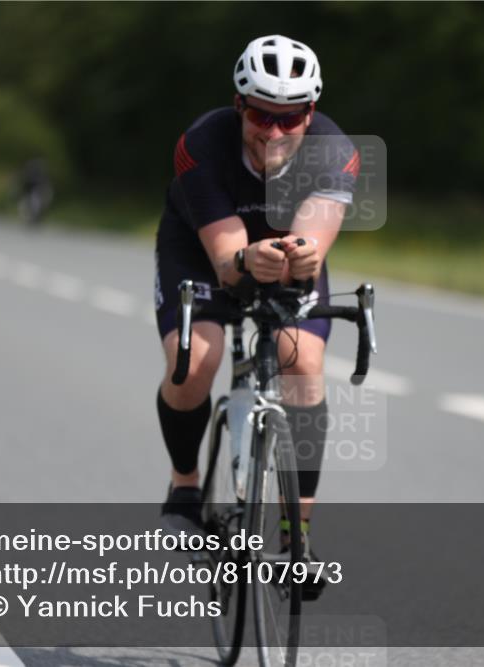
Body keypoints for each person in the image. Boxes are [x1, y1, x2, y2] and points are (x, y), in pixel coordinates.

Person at [153, 35, 358, 566]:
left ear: (310, 115)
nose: (273, 132)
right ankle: (185, 486)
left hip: (282, 252)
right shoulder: (201, 143)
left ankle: (296, 537)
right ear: (239, 106)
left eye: (289, 119)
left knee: (304, 362)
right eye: (261, 115)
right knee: (196, 360)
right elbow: (225, 260)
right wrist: (243, 263)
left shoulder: (336, 153)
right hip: (200, 249)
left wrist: (304, 255)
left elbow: (314, 237)